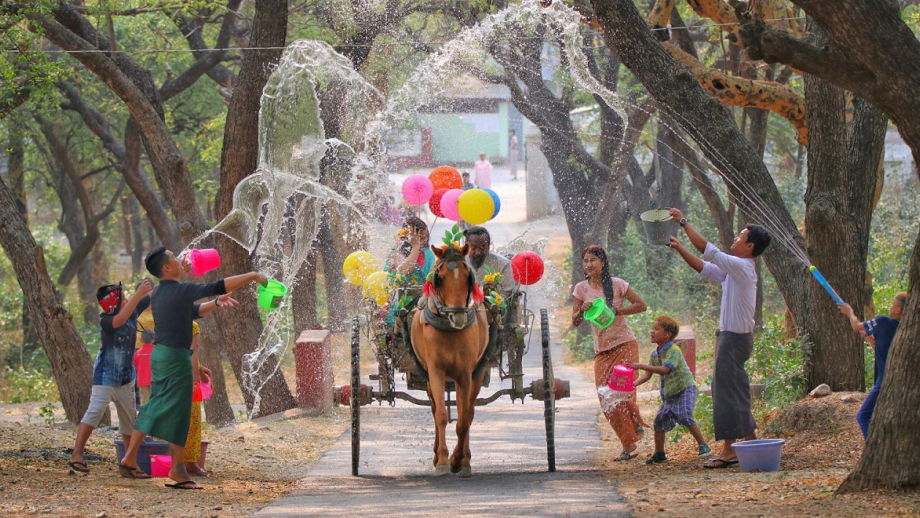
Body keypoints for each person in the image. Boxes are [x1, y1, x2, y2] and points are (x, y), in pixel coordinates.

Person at [117, 246, 263, 489]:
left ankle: (130, 457)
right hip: (175, 358)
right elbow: (219, 284)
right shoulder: (180, 290)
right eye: (174, 258)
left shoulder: (160, 293)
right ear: (166, 267)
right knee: (179, 411)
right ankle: (177, 469)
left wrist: (216, 303)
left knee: (155, 404)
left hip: (161, 356)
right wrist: (252, 275)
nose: (180, 261)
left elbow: (193, 312)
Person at [667, 207, 771, 469]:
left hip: (734, 342)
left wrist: (683, 221)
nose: (735, 238)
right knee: (732, 391)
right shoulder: (735, 271)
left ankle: (729, 451)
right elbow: (704, 267)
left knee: (726, 395)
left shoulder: (742, 267)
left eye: (741, 236)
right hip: (731, 339)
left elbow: (708, 250)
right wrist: (680, 249)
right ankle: (750, 441)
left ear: (750, 247)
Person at [572, 245, 649, 461]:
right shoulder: (581, 289)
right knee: (605, 398)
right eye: (585, 261)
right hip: (602, 350)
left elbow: (641, 305)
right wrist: (582, 310)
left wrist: (617, 311)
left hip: (625, 344)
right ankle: (631, 432)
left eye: (593, 260)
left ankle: (628, 445)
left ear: (602, 263)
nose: (588, 265)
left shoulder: (617, 285)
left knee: (622, 393)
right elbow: (575, 321)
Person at [68, 280, 153, 474]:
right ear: (111, 304)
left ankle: (129, 462)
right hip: (105, 377)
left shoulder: (131, 311)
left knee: (129, 420)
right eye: (122, 298)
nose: (126, 300)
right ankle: (77, 455)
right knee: (95, 411)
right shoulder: (106, 320)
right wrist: (138, 294)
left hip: (126, 378)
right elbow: (120, 319)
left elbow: (153, 296)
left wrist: (171, 275)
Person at [629, 315, 712, 464]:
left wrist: (641, 365)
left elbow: (664, 370)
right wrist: (633, 384)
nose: (652, 331)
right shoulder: (655, 354)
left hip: (685, 389)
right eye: (652, 328)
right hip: (669, 394)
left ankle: (703, 445)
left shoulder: (674, 350)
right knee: (659, 422)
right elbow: (648, 375)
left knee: (685, 414)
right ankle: (659, 453)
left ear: (667, 334)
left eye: (656, 329)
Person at [838, 292, 907, 439]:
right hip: (896, 383)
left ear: (898, 311)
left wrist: (849, 312)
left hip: (884, 382)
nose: (890, 305)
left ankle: (873, 450)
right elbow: (881, 349)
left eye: (892, 303)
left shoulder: (883, 322)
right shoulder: (903, 329)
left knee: (863, 416)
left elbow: (856, 326)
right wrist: (870, 339)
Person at [384, 216, 435, 327]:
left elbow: (431, 277)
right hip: (402, 299)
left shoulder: (428, 254)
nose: (424, 241)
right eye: (420, 238)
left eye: (426, 237)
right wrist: (415, 247)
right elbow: (404, 271)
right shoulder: (396, 251)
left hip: (424, 297)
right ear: (408, 237)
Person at [185, 322, 211, 477]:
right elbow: (191, 353)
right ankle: (190, 462)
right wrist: (196, 378)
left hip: (169, 373)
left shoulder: (164, 320)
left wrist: (200, 369)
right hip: (187, 379)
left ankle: (176, 460)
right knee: (192, 421)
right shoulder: (191, 325)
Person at [463, 226, 517, 294]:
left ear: (488, 246)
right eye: (473, 248)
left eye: (482, 247)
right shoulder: (458, 263)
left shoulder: (502, 264)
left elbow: (507, 293)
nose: (478, 252)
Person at [134, 328, 155, 405]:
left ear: (141, 340)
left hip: (142, 382)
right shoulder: (156, 352)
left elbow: (135, 366)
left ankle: (146, 416)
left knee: (145, 402)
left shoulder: (137, 353)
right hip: (155, 381)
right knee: (155, 402)